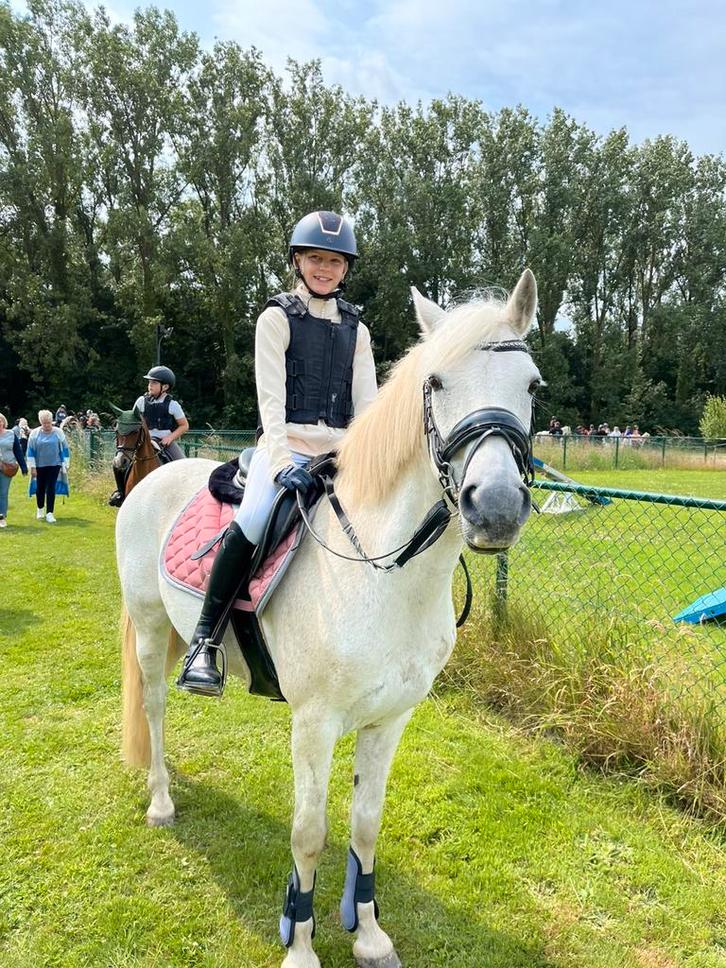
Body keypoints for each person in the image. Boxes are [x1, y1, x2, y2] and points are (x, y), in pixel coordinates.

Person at [178, 210, 378, 697]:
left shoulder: (358, 330)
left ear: (346, 268)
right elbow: (270, 398)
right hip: (285, 447)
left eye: (334, 261)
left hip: (340, 454)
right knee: (253, 518)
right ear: (297, 261)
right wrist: (284, 461)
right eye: (315, 259)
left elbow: (368, 404)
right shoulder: (276, 318)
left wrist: (366, 457)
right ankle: (204, 641)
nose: (324, 269)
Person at [133, 366, 189, 460]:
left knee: (183, 463)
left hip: (165, 442)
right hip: (144, 440)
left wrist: (170, 438)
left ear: (165, 387)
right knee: (123, 459)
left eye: (154, 382)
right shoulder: (141, 401)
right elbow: (132, 421)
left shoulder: (173, 405)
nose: (150, 385)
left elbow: (184, 425)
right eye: (149, 382)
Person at [27, 410, 70, 524]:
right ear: (41, 422)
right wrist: (32, 467)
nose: (46, 425)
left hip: (55, 464)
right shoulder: (34, 434)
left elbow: (65, 448)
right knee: (40, 488)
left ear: (52, 421)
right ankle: (40, 508)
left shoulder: (58, 432)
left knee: (51, 487)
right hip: (39, 465)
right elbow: (30, 451)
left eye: (48, 422)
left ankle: (50, 513)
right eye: (44, 423)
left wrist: (66, 463)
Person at [0, 412, 29, 528]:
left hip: (8, 467)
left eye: (0, 421)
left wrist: (23, 466)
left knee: (3, 493)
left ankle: (2, 517)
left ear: (3, 422)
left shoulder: (11, 434)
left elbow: (18, 451)